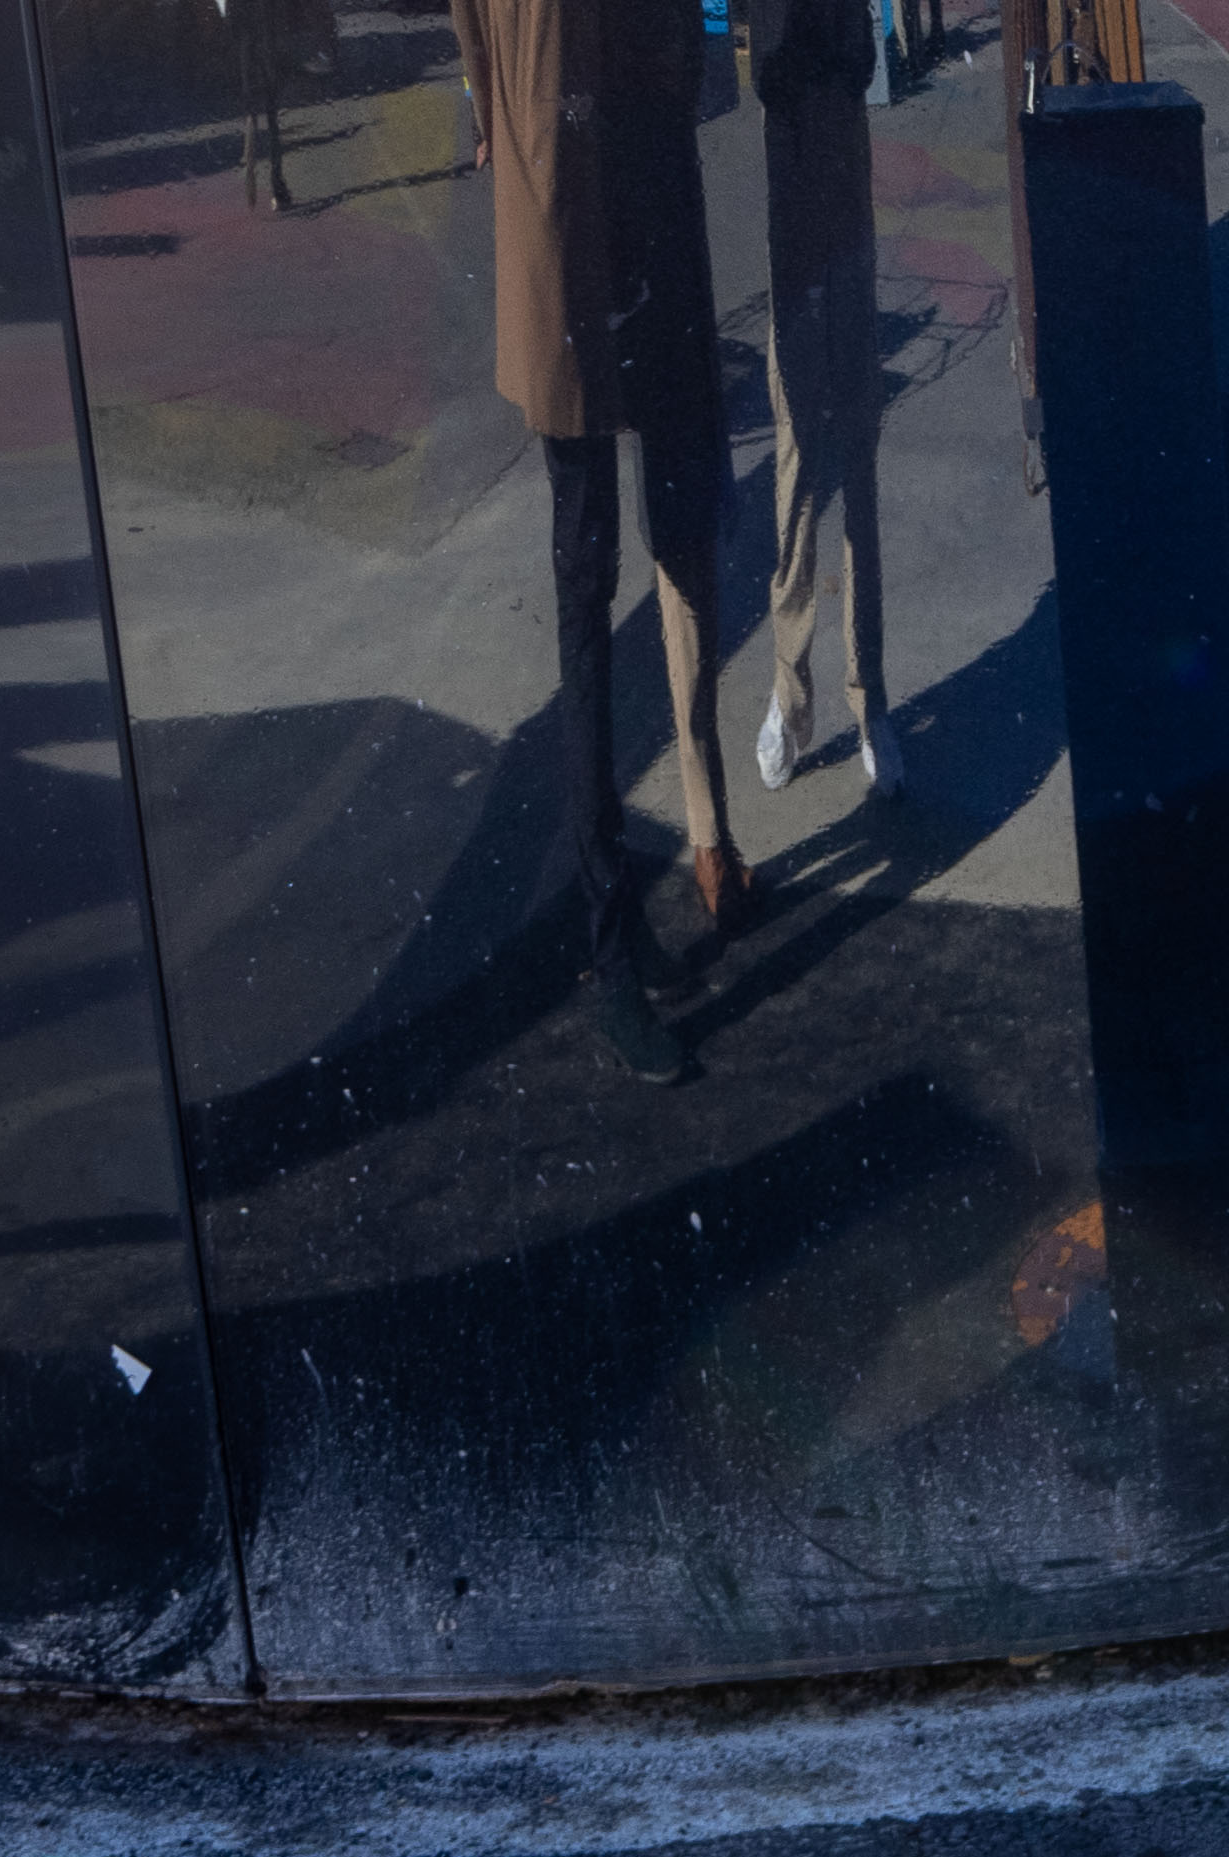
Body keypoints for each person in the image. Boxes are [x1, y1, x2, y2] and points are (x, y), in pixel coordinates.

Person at [458, 0, 752, 1084]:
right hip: (566, 225)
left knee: (672, 535)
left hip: (650, 201)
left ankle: (642, 903)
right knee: (587, 586)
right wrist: (502, 125)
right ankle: (605, 935)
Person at [743, 0, 896, 802]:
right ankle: (791, 696)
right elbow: (771, 70)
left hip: (848, 209)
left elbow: (862, 62)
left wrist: (825, 58)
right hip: (799, 228)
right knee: (800, 470)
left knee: (860, 462)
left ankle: (870, 701)